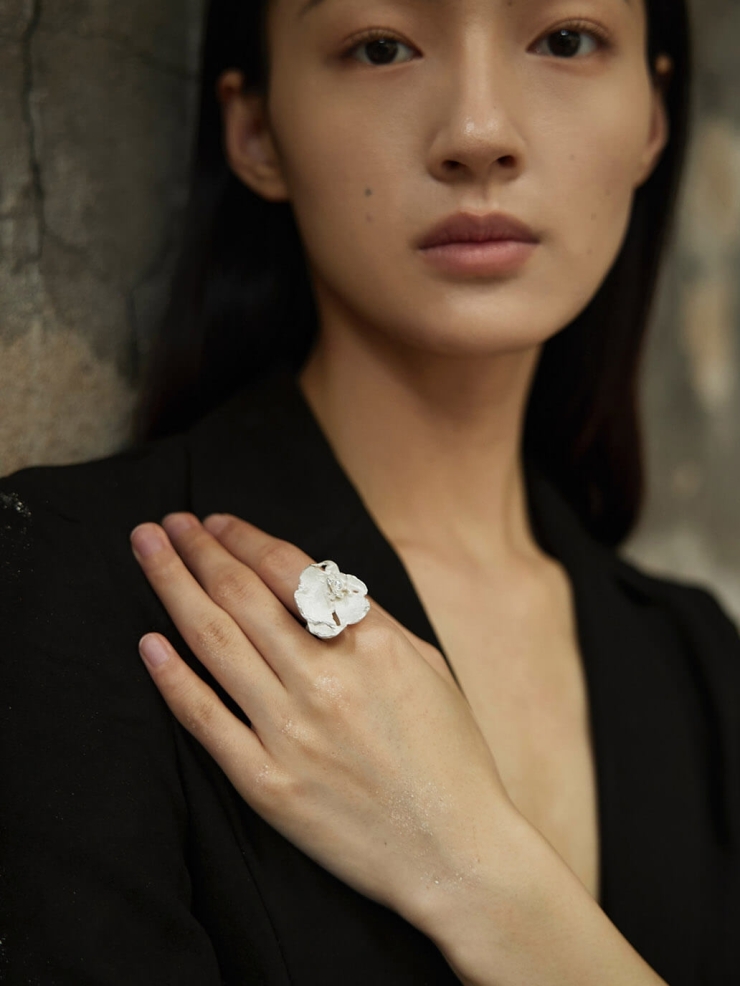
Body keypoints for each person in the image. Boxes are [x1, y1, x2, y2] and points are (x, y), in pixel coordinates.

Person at [1, 0, 738, 983]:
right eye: (378, 45)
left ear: (651, 114)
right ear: (257, 129)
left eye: (563, 39)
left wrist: (479, 868)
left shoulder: (702, 668)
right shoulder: (61, 576)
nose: (478, 133)